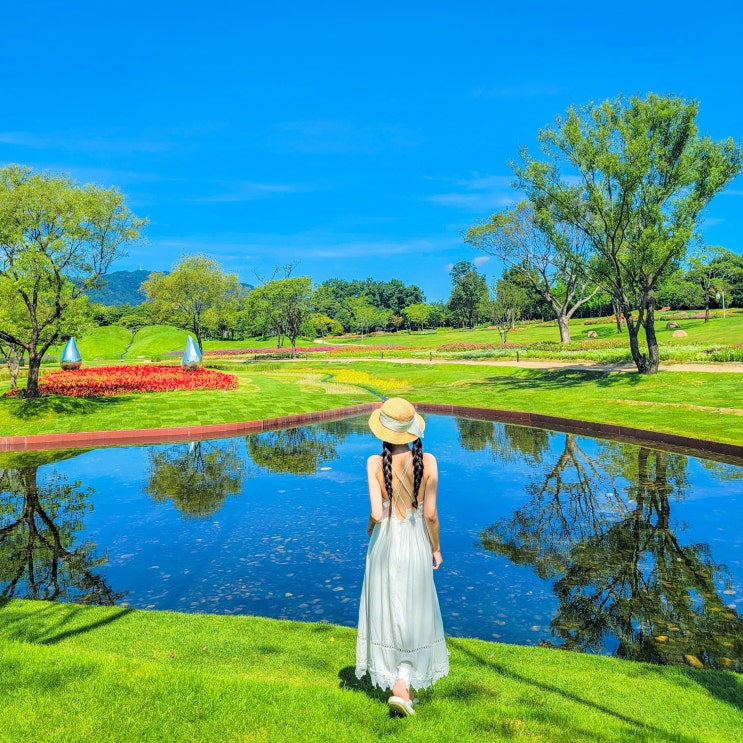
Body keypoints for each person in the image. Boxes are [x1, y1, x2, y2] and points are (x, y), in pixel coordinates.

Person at [355, 397, 449, 717]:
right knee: (414, 610)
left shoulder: (372, 462)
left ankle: (400, 681)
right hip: (415, 542)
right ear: (412, 430)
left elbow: (376, 514)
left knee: (388, 608)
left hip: (385, 543)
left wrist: (370, 529)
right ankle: (402, 681)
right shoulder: (431, 462)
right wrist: (436, 548)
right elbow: (431, 515)